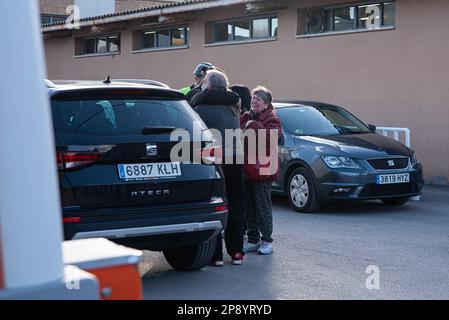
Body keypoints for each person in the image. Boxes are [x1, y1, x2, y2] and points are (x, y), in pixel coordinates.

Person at [190, 69, 246, 266]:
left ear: (210, 85)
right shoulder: (234, 103)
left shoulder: (200, 106)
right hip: (235, 158)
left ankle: (216, 255)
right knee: (236, 204)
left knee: (215, 204)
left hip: (214, 159)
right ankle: (237, 252)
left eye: (205, 81)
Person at [240, 86, 282, 255]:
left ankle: (266, 241)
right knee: (248, 207)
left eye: (258, 99)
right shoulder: (246, 116)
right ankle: (252, 239)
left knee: (262, 206)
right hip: (246, 168)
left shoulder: (272, 118)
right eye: (253, 98)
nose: (254, 101)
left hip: (263, 170)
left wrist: (255, 126)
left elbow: (273, 138)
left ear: (266, 104)